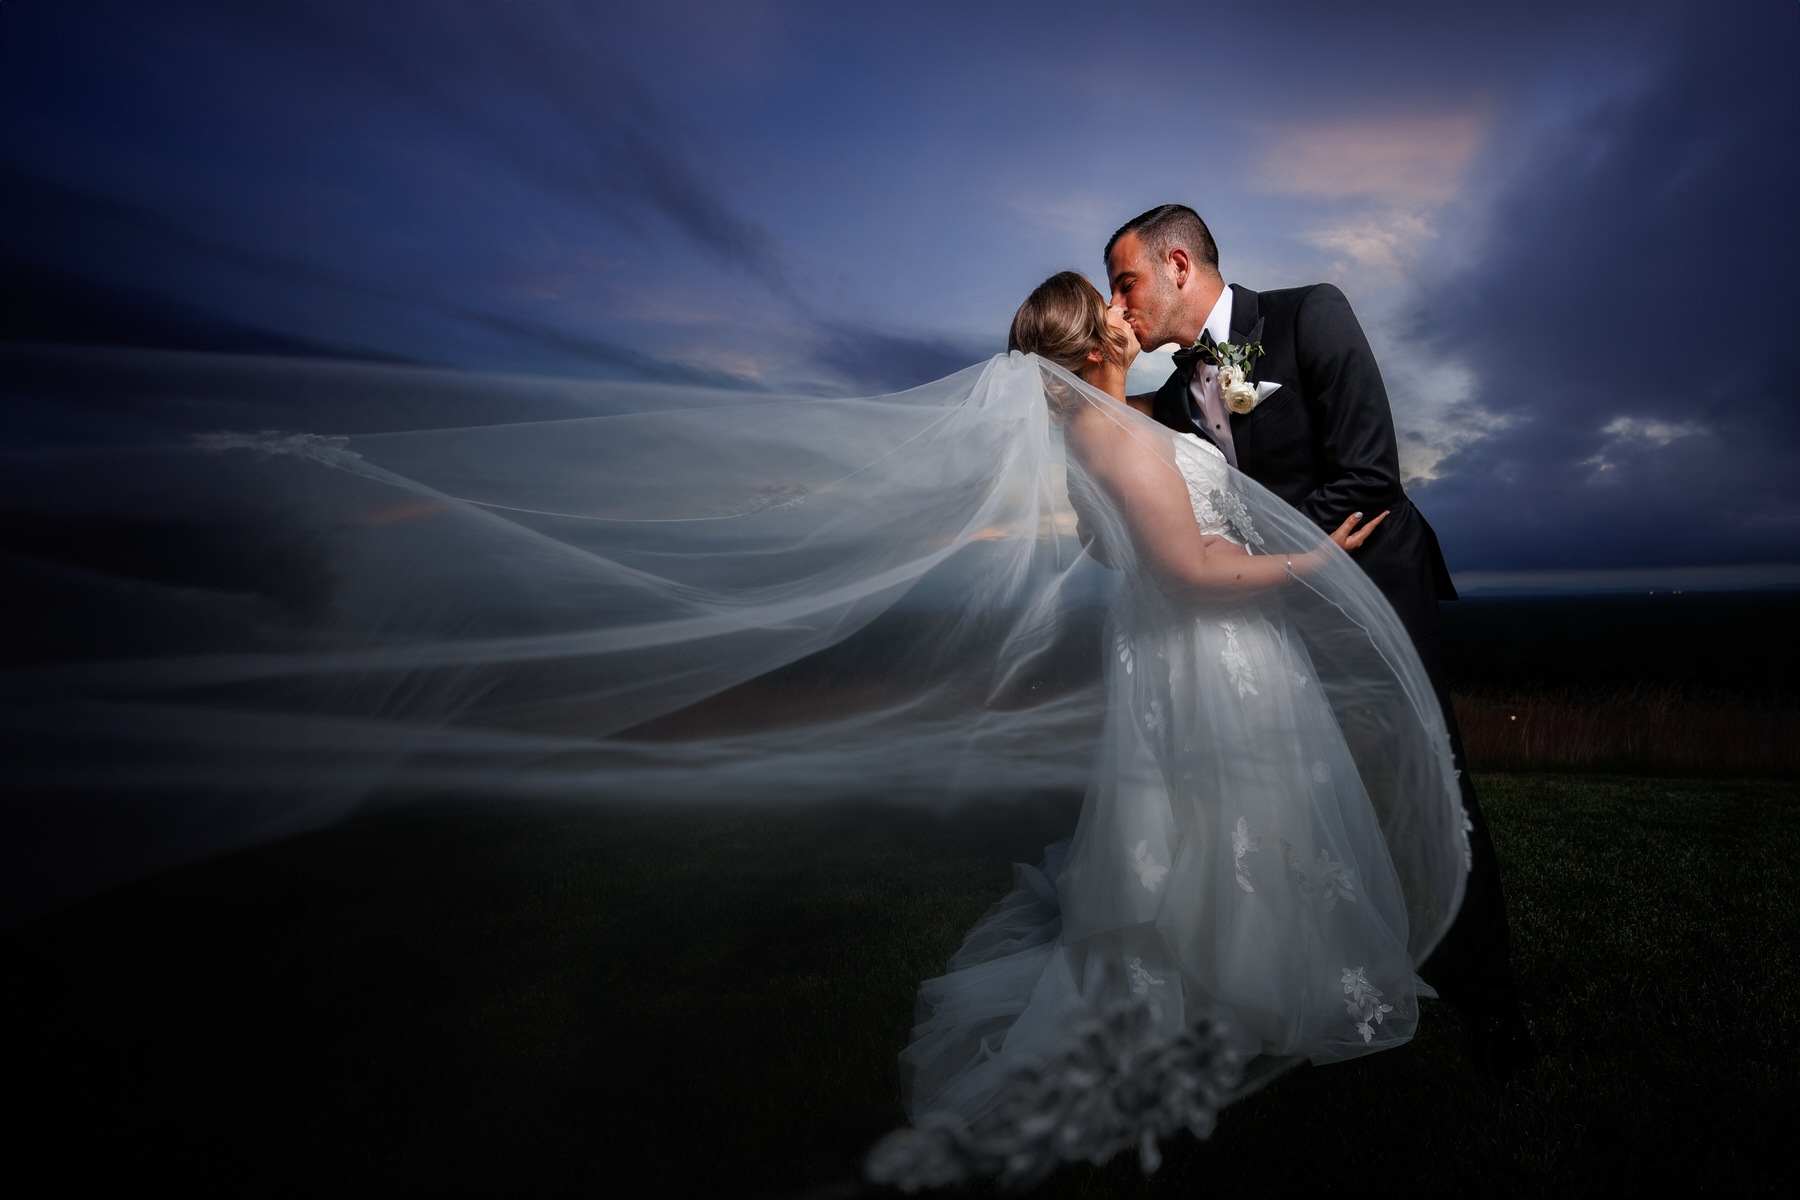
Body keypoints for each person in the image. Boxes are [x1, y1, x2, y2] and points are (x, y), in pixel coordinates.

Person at [891, 273, 1468, 1147]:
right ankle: (1242, 984)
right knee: (1237, 808)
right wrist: (1315, 559)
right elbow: (1191, 573)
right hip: (1207, 646)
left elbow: (1105, 542)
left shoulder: (1099, 428)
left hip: (1174, 653)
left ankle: (1251, 966)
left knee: (1220, 814)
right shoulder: (1119, 438)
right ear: (1095, 345)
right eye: (1110, 305)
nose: (1125, 310)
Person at [1105, 203, 1533, 1081]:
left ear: (1178, 265)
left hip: (1377, 597)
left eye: (1127, 281)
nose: (1120, 303)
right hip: (1281, 622)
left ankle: (1492, 1000)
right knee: (1301, 799)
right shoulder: (1178, 394)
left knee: (1434, 787)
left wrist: (1256, 557)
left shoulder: (1312, 315)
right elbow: (1114, 444)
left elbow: (1369, 478)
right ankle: (1322, 976)